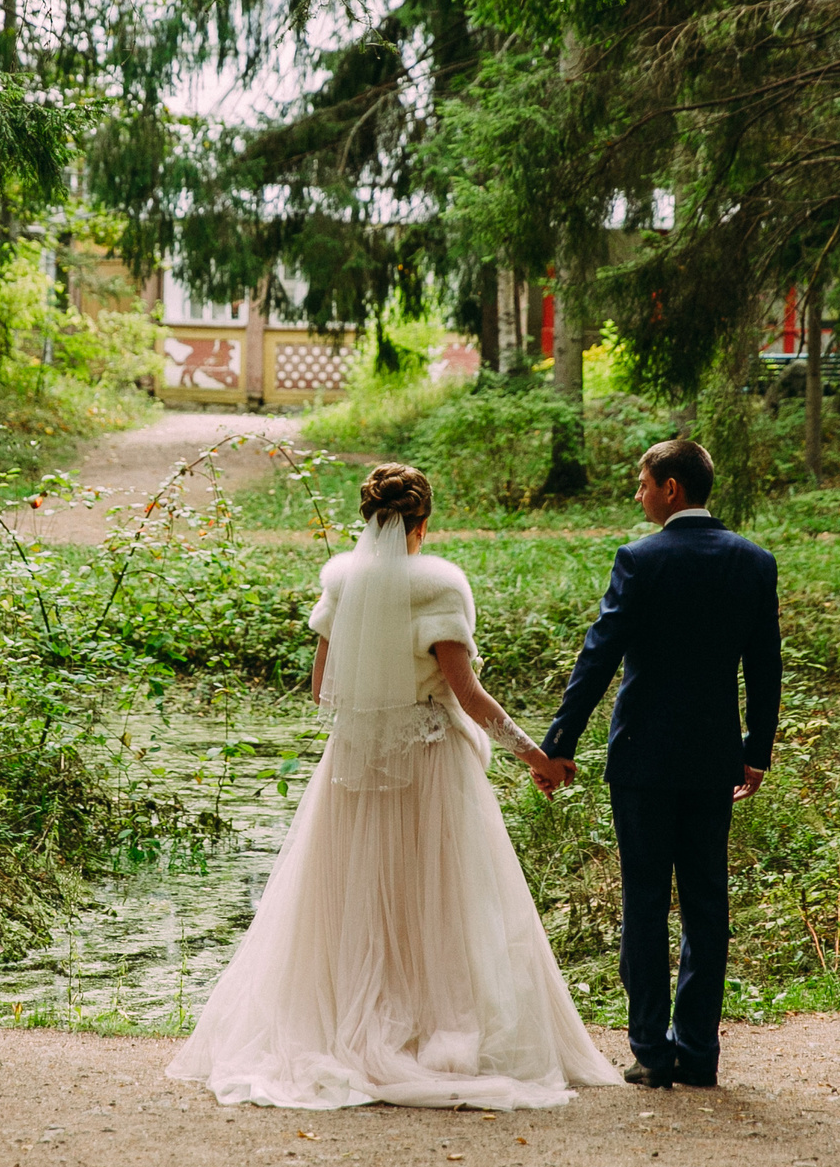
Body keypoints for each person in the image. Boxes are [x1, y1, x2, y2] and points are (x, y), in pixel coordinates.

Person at [166, 463, 620, 1109]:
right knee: (442, 898)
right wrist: (534, 755)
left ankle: (354, 1023)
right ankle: (434, 1030)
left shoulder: (342, 582)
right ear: (422, 522)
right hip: (430, 763)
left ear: (368, 518)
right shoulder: (439, 585)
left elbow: (322, 689)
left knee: (355, 897)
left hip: (354, 762)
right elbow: (469, 694)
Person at [533, 439, 782, 1090]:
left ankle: (651, 1051)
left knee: (643, 902)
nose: (638, 494)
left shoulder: (640, 560)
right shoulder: (754, 562)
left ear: (672, 488)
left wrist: (560, 742)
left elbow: (599, 654)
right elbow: (765, 665)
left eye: (643, 484)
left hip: (643, 757)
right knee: (706, 902)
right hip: (714, 758)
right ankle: (697, 1052)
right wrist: (756, 749)